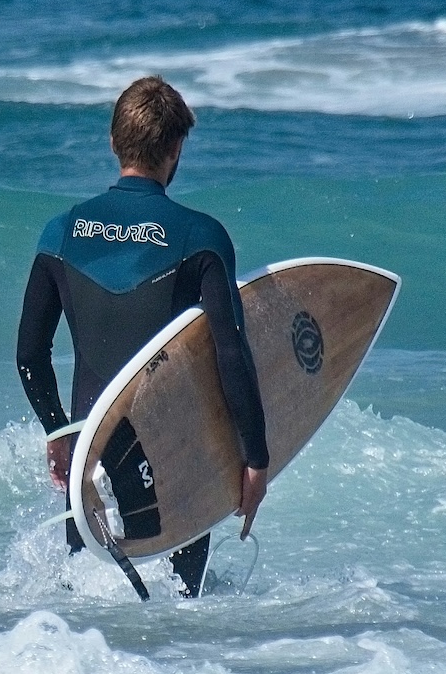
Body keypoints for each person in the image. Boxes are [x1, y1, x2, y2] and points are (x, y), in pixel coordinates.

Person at [15, 75, 267, 597]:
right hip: (177, 463)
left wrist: (60, 434)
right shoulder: (203, 238)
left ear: (113, 142)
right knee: (176, 617)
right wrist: (255, 458)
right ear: (176, 148)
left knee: (88, 621)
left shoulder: (60, 233)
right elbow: (230, 353)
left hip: (93, 454)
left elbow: (29, 355)